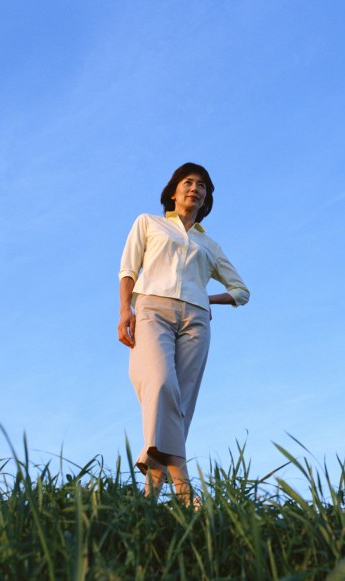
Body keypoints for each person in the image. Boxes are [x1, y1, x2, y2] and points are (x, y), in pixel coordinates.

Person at [117, 162, 250, 504]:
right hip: (151, 310)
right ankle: (185, 490)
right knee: (161, 384)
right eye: (188, 182)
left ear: (206, 198)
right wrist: (124, 311)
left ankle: (149, 496)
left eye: (202, 185)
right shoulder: (150, 223)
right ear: (173, 190)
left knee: (180, 406)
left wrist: (206, 299)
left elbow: (241, 291)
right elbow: (129, 268)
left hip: (195, 321)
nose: (195, 188)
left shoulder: (211, 246)